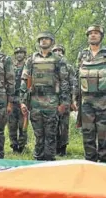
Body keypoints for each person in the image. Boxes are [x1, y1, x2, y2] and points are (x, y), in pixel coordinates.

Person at [20, 31, 72, 161]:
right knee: (38, 135)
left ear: (51, 42)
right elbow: (25, 81)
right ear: (38, 42)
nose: (43, 41)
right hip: (35, 102)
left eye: (46, 39)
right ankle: (38, 160)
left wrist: (64, 103)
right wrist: (22, 101)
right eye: (41, 39)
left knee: (50, 134)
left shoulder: (58, 60)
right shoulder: (31, 60)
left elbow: (64, 82)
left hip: (52, 102)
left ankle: (49, 160)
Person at [74, 25, 106, 162]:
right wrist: (75, 98)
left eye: (96, 33)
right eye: (90, 33)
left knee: (104, 132)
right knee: (87, 132)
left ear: (101, 36)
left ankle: (103, 160)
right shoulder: (82, 54)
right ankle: (90, 160)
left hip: (104, 99)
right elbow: (77, 78)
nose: (93, 35)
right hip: (86, 100)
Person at [52, 44, 75, 156]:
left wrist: (73, 101)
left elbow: (73, 84)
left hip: (65, 100)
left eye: (60, 50)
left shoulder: (69, 67)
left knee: (64, 125)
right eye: (55, 50)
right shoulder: (49, 66)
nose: (57, 52)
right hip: (51, 100)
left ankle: (63, 148)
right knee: (52, 123)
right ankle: (54, 147)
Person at [8, 46, 28, 153]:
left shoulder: (28, 66)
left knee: (22, 124)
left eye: (21, 52)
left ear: (24, 54)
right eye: (17, 53)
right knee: (12, 124)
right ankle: (14, 146)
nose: (19, 54)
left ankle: (22, 146)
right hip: (12, 99)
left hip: (23, 100)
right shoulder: (11, 66)